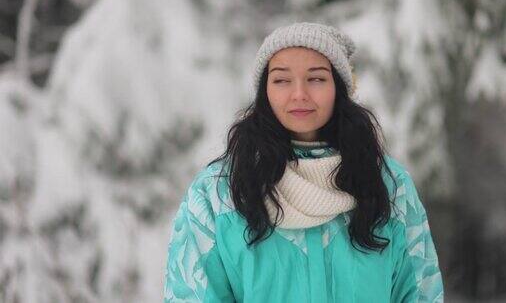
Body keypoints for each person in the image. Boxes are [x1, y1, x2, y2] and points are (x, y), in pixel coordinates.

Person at [163, 22, 444, 302]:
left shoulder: (387, 185)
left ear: (339, 88)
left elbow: (419, 292)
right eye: (282, 80)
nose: (299, 94)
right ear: (265, 91)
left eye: (316, 78)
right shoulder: (219, 192)